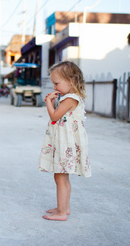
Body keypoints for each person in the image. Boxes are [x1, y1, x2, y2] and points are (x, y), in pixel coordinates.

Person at [38, 61, 91, 221]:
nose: (54, 87)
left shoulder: (70, 99)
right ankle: (64, 208)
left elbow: (54, 117)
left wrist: (48, 102)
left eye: (56, 83)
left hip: (65, 144)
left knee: (60, 177)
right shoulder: (72, 97)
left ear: (71, 81)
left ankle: (61, 213)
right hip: (66, 141)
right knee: (62, 177)